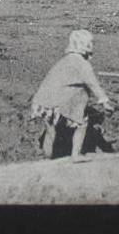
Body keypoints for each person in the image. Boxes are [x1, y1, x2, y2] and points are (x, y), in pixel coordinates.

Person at [30, 29, 114, 163]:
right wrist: (104, 102)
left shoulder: (64, 61)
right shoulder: (82, 64)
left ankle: (46, 159)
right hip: (60, 102)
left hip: (42, 101)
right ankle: (75, 155)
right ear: (86, 45)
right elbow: (93, 84)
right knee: (82, 123)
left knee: (51, 131)